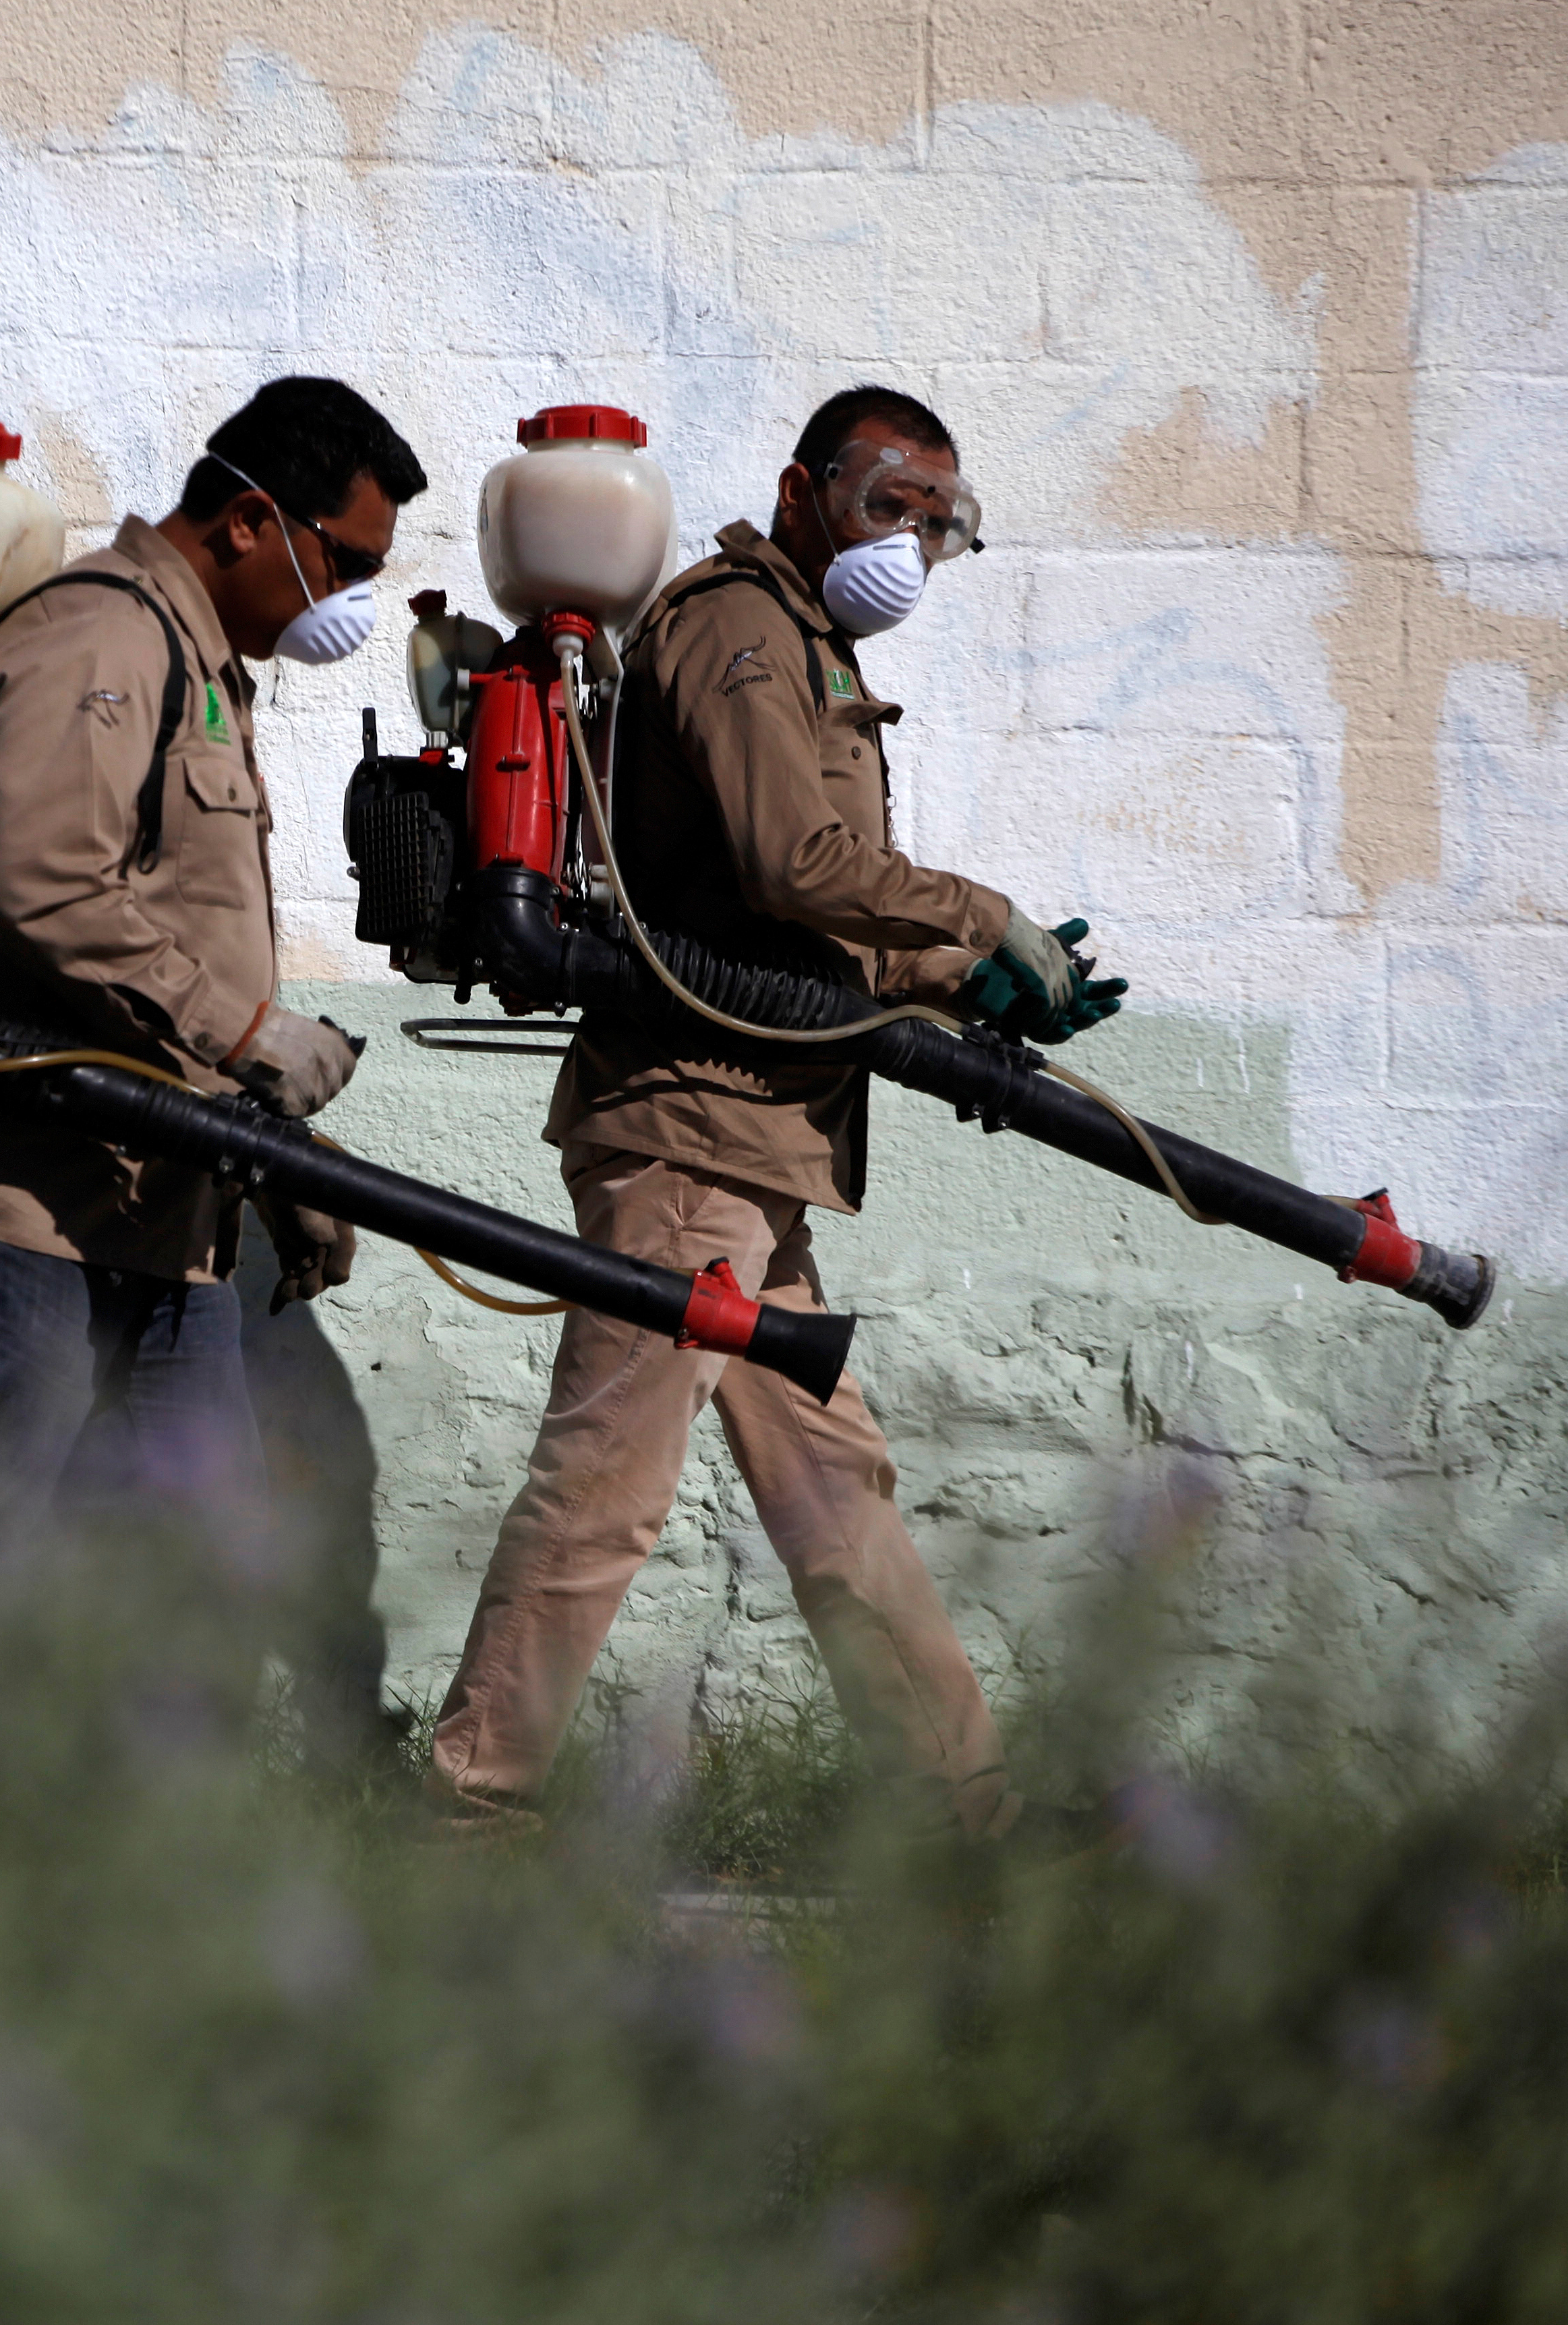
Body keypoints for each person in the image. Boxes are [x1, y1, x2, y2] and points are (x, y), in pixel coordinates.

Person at [424, 384, 1123, 1840]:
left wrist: (966, 979)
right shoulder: (743, 628)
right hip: (688, 1138)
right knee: (610, 1480)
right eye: (889, 509)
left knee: (835, 1495)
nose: (910, 549)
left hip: (752, 1142)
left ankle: (962, 1813)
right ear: (805, 494)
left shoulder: (804, 645)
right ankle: (472, 1804)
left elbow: (816, 921)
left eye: (937, 526)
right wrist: (980, 915)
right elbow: (797, 863)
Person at [0, 376, 430, 1530]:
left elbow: (160, 942)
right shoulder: (102, 635)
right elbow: (48, 890)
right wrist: (252, 1039)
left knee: (188, 1573)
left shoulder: (194, 662)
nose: (352, 598)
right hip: (12, 1201)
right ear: (249, 522)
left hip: (152, 1201)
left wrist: (268, 1154)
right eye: (344, 561)